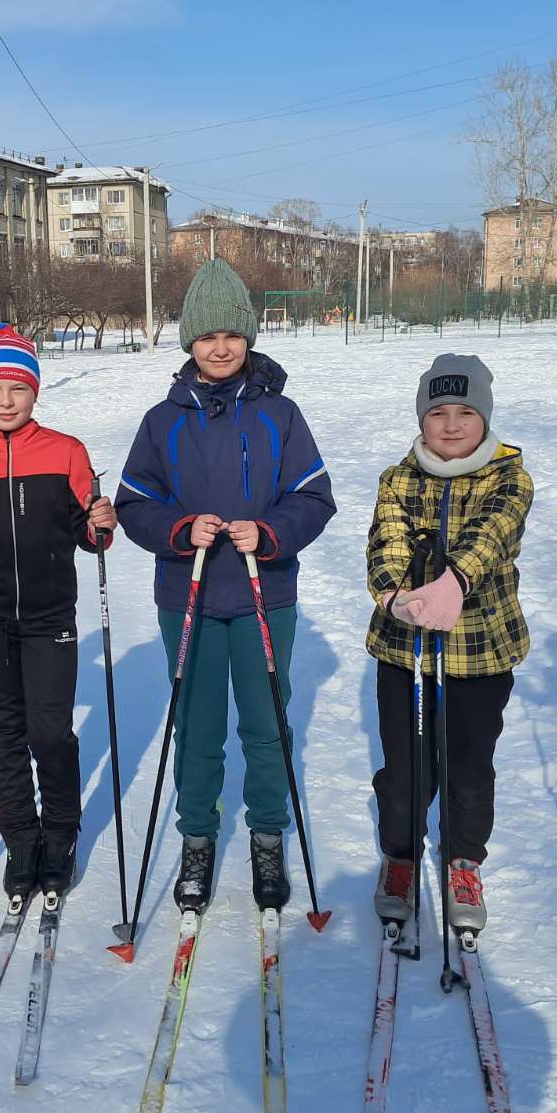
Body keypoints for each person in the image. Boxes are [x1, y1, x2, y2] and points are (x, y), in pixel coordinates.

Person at [115, 258, 335, 915]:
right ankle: (198, 838)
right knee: (197, 723)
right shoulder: (163, 420)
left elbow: (312, 496)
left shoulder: (281, 414)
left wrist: (268, 535)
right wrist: (181, 530)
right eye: (207, 336)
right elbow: (134, 501)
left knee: (266, 723)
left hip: (265, 593)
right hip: (189, 595)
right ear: (189, 341)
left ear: (248, 338)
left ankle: (268, 834)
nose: (219, 347)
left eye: (231, 335)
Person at [0, 325, 116, 904]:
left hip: (49, 614)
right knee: (3, 732)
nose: (6, 401)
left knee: (51, 732)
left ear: (35, 391)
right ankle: (20, 839)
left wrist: (100, 522)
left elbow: (90, 531)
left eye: (17, 388)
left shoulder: (66, 451)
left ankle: (59, 835)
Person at [364, 354, 532, 935]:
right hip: (404, 652)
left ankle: (464, 859)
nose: (452, 425)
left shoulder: (508, 476)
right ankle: (402, 856)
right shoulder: (398, 478)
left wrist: (450, 583)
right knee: (406, 767)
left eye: (465, 412)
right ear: (422, 418)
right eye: (439, 412)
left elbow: (494, 533)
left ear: (484, 416)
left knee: (467, 765)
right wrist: (395, 597)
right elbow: (386, 540)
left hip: (480, 652)